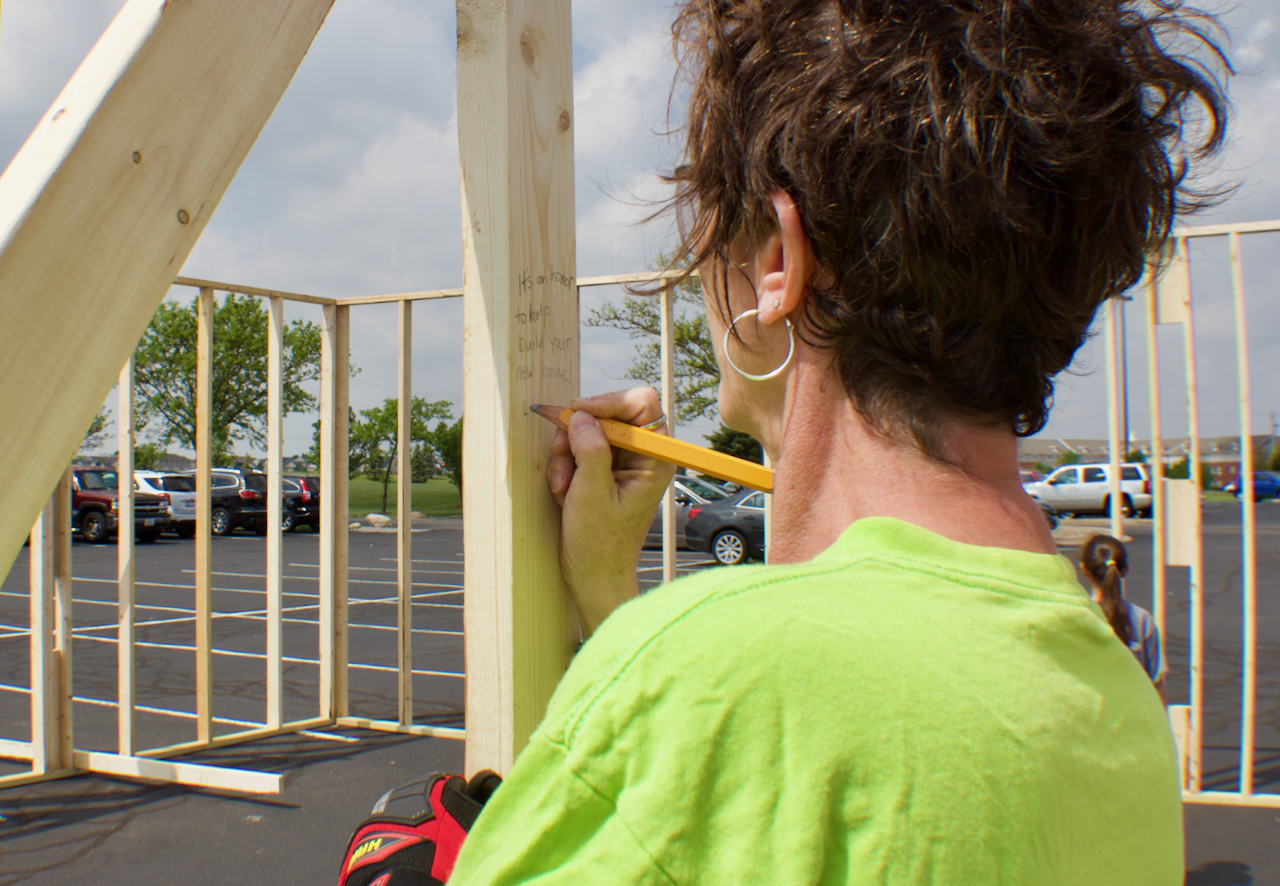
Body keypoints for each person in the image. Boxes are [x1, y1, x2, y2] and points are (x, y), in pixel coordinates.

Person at [435, 0, 1228, 882]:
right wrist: (607, 594)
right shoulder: (1109, 687)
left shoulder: (706, 681)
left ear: (778, 261)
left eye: (707, 243)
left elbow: (749, 733)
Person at [1080, 534, 1169, 703]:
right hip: (1133, 721)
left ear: (1083, 569)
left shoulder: (1077, 616)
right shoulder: (1141, 619)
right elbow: (1156, 683)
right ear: (1124, 570)